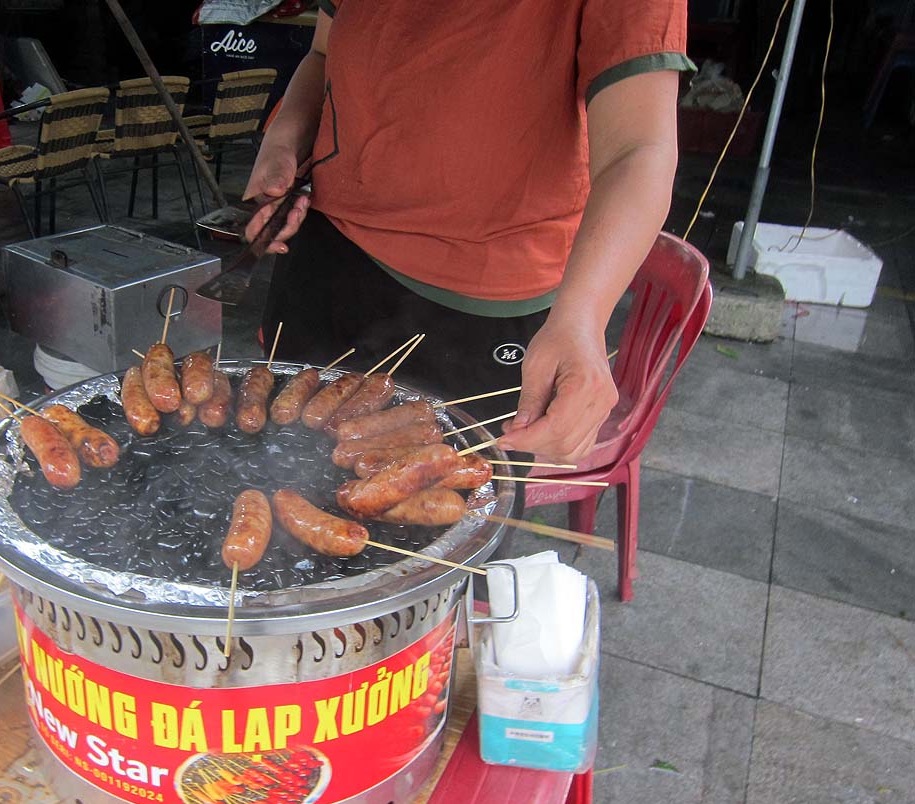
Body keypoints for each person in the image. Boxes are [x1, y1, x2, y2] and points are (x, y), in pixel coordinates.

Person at [243, 0, 692, 465]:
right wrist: (283, 142)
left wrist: (583, 318)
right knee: (272, 464)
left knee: (454, 498)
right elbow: (323, 54)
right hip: (322, 260)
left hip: (482, 301)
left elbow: (638, 149)